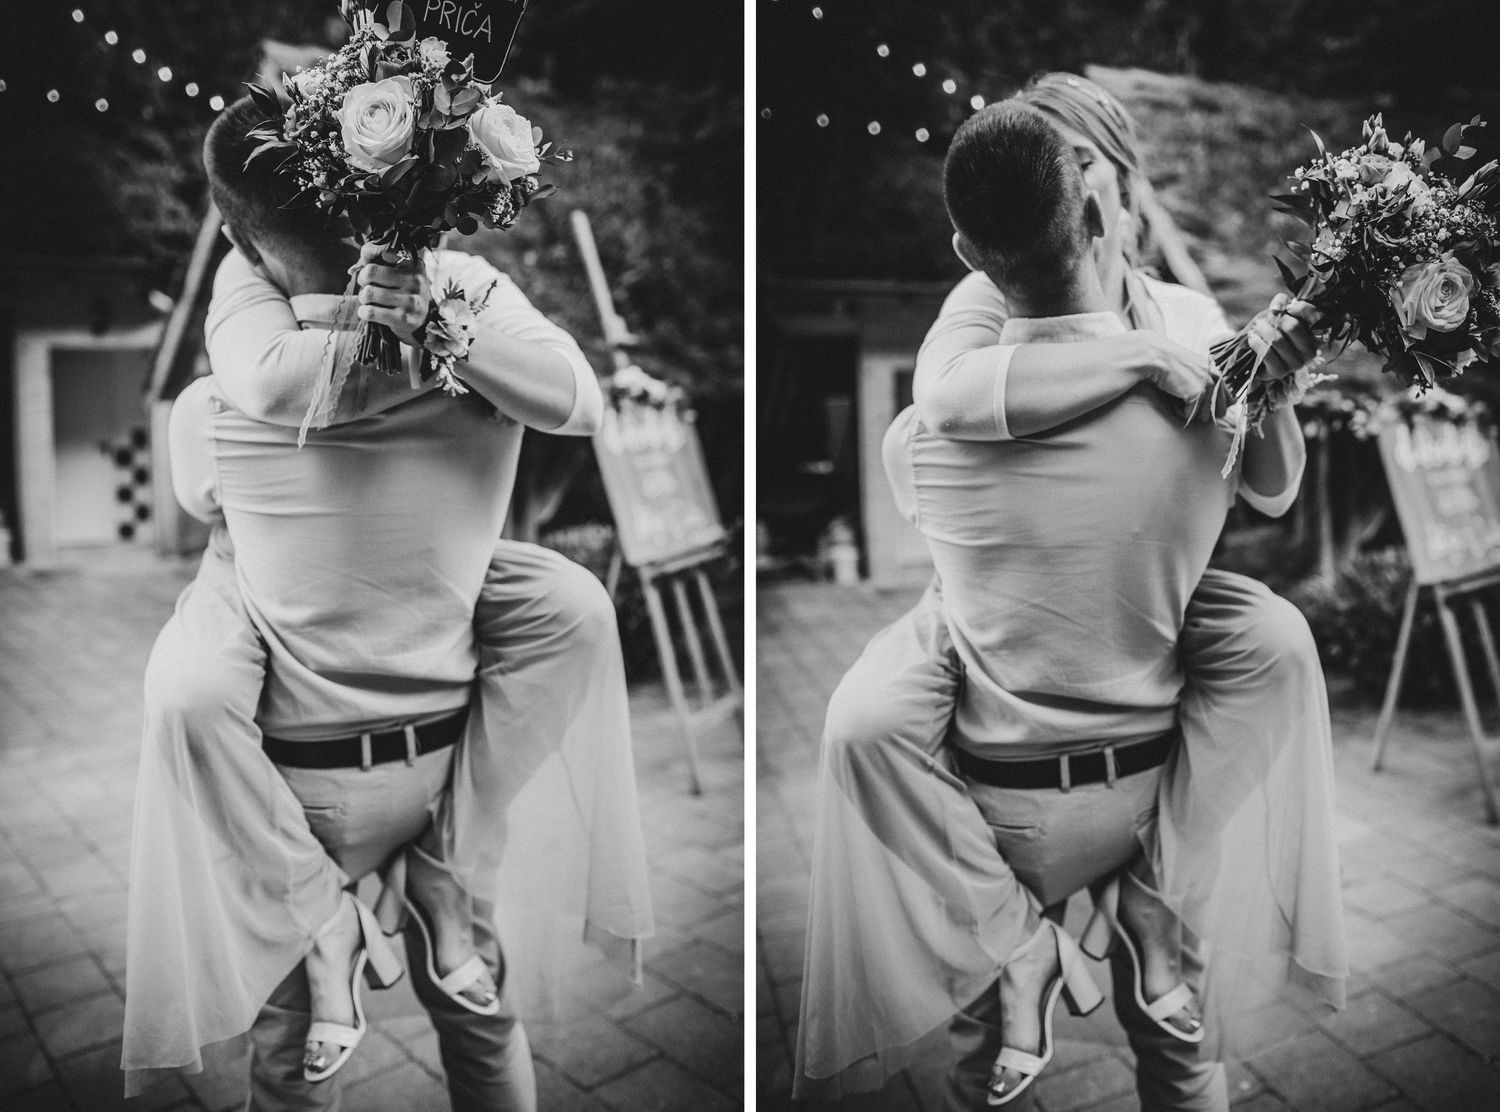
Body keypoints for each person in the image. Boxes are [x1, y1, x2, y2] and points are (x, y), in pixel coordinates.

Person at [795, 75, 1346, 1112]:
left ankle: (1142, 908)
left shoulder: (1189, 311)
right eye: (1052, 161)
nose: (1066, 177)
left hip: (1145, 640)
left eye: (1079, 158)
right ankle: (1020, 948)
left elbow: (1272, 486)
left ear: (1118, 182)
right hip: (1012, 641)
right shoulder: (987, 306)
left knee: (1274, 639)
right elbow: (945, 402)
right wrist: (1144, 361)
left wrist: (1266, 382)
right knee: (867, 718)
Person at [122, 97, 653, 1109]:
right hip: (452, 777)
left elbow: (217, 478)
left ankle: (326, 920)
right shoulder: (482, 340)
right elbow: (578, 399)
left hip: (291, 795)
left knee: (292, 1065)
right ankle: (436, 882)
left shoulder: (209, 412)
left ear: (240, 238)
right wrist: (437, 343)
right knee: (485, 1029)